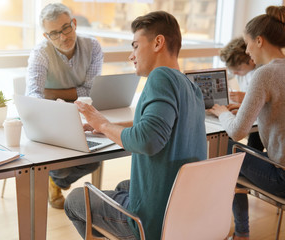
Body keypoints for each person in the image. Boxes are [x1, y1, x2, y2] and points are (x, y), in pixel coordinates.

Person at [64, 11, 207, 239]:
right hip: (185, 211)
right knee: (123, 185)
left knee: (74, 200)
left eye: (135, 46)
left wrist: (101, 123)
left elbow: (146, 141)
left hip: (152, 221)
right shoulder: (191, 88)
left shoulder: (160, 76)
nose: (131, 55)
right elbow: (164, 123)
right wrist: (109, 125)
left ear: (158, 42)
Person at [209, 6, 285, 240]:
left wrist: (222, 112)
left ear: (259, 41)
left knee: (227, 151)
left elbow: (236, 131)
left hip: (281, 178)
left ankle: (241, 232)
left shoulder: (265, 74)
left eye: (247, 42)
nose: (247, 49)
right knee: (243, 147)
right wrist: (244, 108)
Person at [26, 3, 103, 209]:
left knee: (95, 159)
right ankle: (56, 177)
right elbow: (34, 94)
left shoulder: (93, 47)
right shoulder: (40, 53)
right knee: (59, 160)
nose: (62, 37)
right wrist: (69, 93)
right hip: (52, 117)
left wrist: (51, 93)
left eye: (65, 28)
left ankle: (55, 180)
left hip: (83, 114)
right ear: (46, 36)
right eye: (54, 33)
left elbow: (90, 91)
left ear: (74, 23)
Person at [220, 37, 264, 151]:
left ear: (251, 60)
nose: (235, 73)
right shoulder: (243, 70)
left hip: (260, 120)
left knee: (253, 135)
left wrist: (246, 98)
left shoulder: (261, 74)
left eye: (238, 70)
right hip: (252, 112)